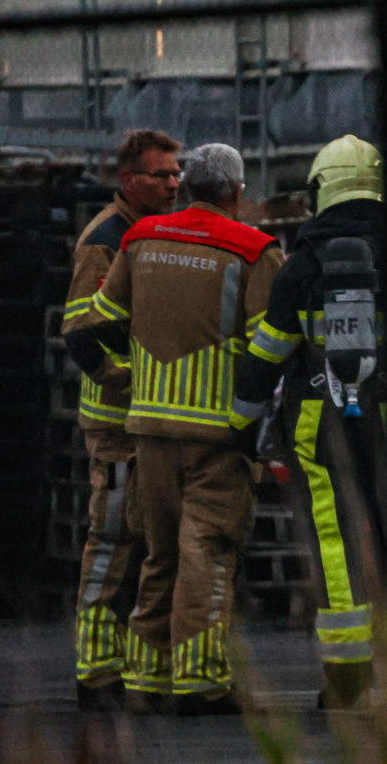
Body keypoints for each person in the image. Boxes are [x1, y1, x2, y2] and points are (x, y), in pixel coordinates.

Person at [230, 134, 387, 708]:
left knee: (334, 541)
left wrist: (240, 427)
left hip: (316, 423)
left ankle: (348, 684)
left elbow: (267, 358)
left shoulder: (300, 265)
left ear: (321, 191)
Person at [66, 144, 283, 716]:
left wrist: (124, 375)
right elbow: (271, 349)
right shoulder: (254, 250)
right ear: (235, 191)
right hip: (218, 433)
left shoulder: (139, 242)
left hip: (146, 427)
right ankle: (201, 681)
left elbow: (90, 328)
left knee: (158, 554)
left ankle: (144, 677)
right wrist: (256, 423)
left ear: (187, 186)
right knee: (206, 554)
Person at [62, 129, 182, 712]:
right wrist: (129, 375)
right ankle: (96, 667)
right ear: (128, 179)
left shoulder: (149, 235)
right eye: (161, 175)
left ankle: (131, 662)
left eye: (176, 173)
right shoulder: (104, 241)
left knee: (148, 542)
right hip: (116, 427)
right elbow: (80, 332)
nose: (173, 182)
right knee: (111, 541)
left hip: (149, 425)